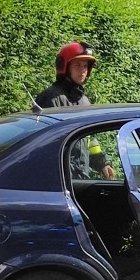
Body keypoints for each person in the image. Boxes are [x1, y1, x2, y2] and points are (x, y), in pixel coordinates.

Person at [35, 41, 115, 180]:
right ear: (65, 67)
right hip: (59, 178)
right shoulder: (51, 99)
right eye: (77, 65)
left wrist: (103, 164)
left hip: (79, 177)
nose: (83, 70)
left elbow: (90, 140)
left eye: (85, 66)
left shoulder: (84, 101)